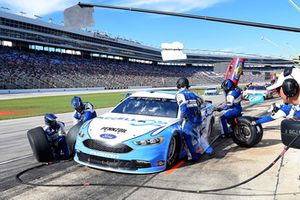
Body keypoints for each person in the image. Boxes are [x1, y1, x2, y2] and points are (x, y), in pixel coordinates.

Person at [175, 77, 214, 161]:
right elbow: (201, 101)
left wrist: (180, 120)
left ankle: (194, 157)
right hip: (198, 118)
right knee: (198, 136)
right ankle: (209, 149)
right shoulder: (193, 93)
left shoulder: (180, 94)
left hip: (189, 120)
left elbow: (183, 108)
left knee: (188, 137)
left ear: (179, 85)